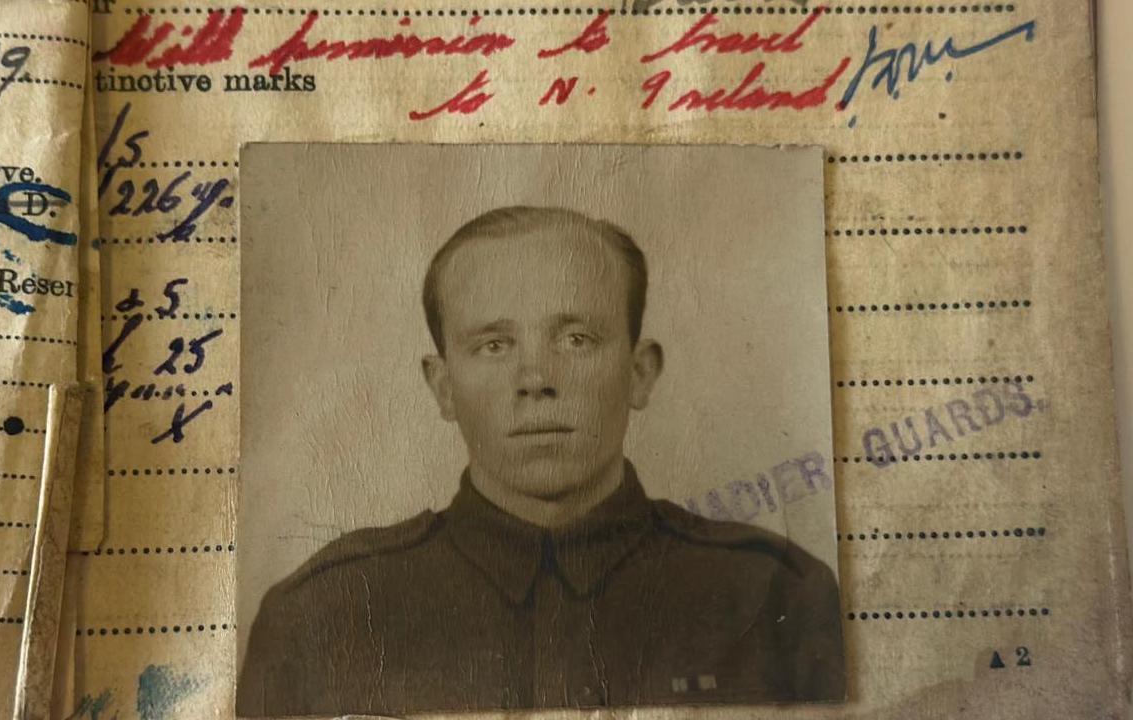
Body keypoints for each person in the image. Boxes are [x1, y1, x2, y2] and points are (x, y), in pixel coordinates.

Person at [237, 206, 844, 717]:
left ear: (639, 372)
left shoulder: (775, 595)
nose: (535, 380)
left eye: (576, 339)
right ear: (443, 387)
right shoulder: (321, 613)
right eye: (494, 345)